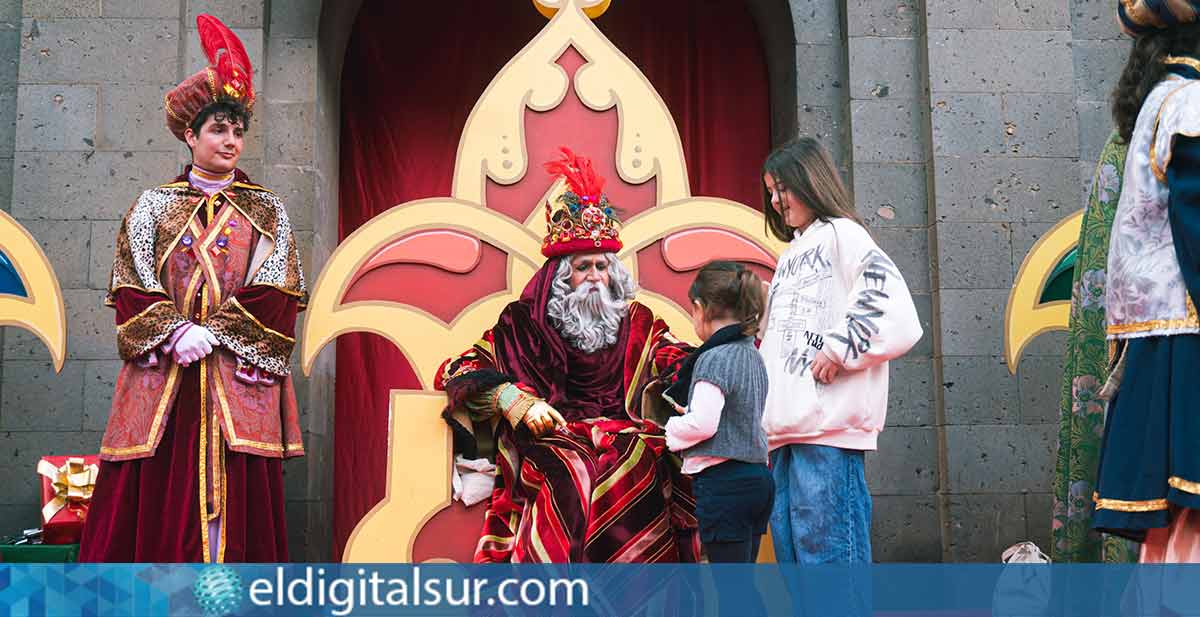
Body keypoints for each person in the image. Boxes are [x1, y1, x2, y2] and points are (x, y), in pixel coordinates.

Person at [79, 15, 307, 563]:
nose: (231, 141)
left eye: (237, 130)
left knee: (238, 499)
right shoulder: (151, 206)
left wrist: (219, 333)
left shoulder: (268, 209)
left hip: (239, 375)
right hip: (165, 374)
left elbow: (279, 289)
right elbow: (131, 279)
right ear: (190, 135)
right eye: (217, 129)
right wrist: (175, 331)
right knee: (156, 492)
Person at [434, 147, 700, 563]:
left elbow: (677, 359)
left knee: (635, 465)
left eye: (602, 266)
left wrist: (721, 361)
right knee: (573, 470)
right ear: (561, 276)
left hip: (626, 436)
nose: (595, 277)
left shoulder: (638, 320)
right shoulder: (525, 321)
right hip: (555, 435)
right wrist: (513, 401)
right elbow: (462, 369)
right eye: (583, 267)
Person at [758, 137, 922, 563]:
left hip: (828, 429)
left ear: (809, 182)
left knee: (829, 560)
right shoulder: (791, 253)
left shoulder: (844, 234)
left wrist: (840, 348)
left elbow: (889, 301)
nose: (776, 201)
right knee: (798, 562)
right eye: (770, 191)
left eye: (782, 188)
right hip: (785, 432)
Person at [1090, 6, 1200, 562]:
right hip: (1189, 325)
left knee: (1175, 516)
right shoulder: (1191, 101)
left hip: (1165, 329)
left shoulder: (1165, 97)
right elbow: (1197, 218)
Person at [663, 261, 773, 564]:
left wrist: (671, 430)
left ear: (700, 307)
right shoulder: (752, 353)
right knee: (744, 583)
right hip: (757, 480)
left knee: (731, 589)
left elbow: (703, 423)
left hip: (725, 485)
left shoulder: (713, 358)